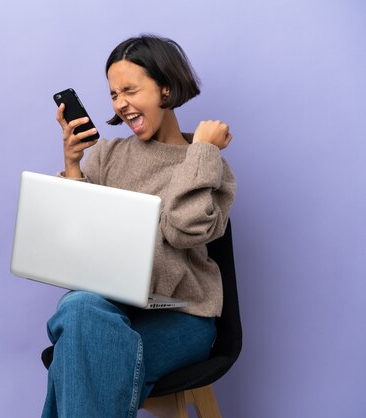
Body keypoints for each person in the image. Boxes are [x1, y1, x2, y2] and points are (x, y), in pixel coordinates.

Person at [41, 34, 236, 418]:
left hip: (183, 317)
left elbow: (183, 229)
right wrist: (74, 164)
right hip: (110, 310)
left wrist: (202, 150)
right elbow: (73, 251)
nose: (121, 104)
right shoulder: (108, 155)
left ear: (165, 87)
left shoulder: (209, 165)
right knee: (81, 308)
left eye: (130, 90)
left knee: (80, 352)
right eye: (114, 94)